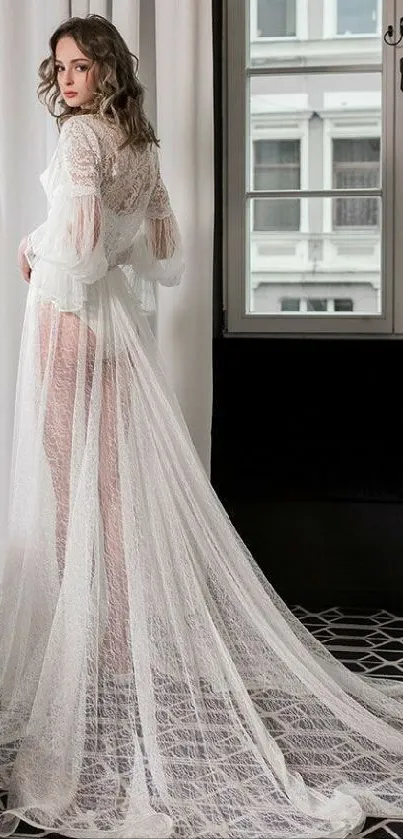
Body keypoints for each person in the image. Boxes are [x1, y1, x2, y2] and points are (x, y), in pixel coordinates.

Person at [1, 13, 403, 839]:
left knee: (69, 481)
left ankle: (84, 659)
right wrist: (90, 251)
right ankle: (113, 649)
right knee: (107, 482)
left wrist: (35, 250)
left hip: (67, 318)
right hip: (109, 319)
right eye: (61, 68)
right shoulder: (140, 148)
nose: (67, 80)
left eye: (78, 66)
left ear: (104, 71)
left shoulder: (80, 137)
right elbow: (163, 251)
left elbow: (75, 244)